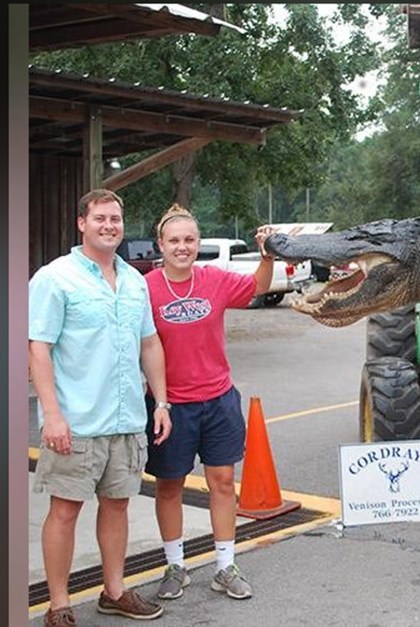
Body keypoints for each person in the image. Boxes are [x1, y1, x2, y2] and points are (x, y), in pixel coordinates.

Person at [29, 188, 173, 626]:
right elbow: (38, 349)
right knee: (65, 511)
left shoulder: (133, 281)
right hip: (76, 421)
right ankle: (59, 605)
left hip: (126, 417)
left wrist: (161, 401)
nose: (109, 225)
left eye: (115, 219)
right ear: (82, 223)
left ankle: (114, 592)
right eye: (100, 219)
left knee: (117, 505)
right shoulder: (55, 278)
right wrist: (52, 414)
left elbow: (149, 342)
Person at [144, 203, 276, 602]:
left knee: (222, 483)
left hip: (218, 400)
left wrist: (267, 254)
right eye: (174, 241)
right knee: (169, 487)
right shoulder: (144, 287)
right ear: (160, 245)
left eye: (189, 240)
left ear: (198, 243)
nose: (182, 247)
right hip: (170, 405)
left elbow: (259, 286)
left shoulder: (214, 279)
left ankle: (224, 566)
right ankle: (175, 566)